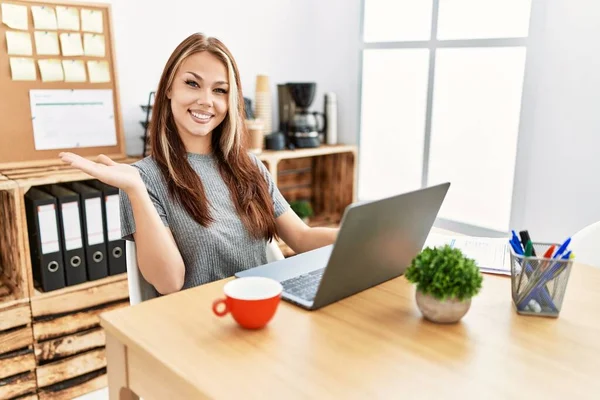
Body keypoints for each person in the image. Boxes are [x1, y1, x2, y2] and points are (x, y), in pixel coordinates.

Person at [59, 33, 338, 297]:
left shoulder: (249, 166)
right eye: (192, 84)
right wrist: (135, 189)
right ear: (169, 88)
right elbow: (169, 283)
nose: (206, 101)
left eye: (220, 90)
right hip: (200, 327)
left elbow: (301, 237)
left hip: (259, 313)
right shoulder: (143, 179)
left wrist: (365, 236)